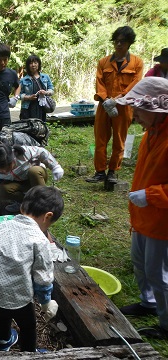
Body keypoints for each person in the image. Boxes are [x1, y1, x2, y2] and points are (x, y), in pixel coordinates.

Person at [0, 185, 63, 352]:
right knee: (28, 325)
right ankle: (28, 353)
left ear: (23, 207)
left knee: (4, 312)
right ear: (48, 216)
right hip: (15, 296)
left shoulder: (2, 225)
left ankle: (3, 340)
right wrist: (46, 303)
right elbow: (43, 277)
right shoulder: (39, 240)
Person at [115, 77, 168, 340]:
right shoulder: (150, 133)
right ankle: (149, 302)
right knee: (140, 264)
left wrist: (150, 195)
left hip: (162, 219)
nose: (134, 115)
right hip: (143, 215)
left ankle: (167, 324)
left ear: (157, 109)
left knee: (159, 273)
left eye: (138, 109)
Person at [86, 26, 143, 184]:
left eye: (122, 42)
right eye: (116, 41)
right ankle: (99, 172)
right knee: (100, 138)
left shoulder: (137, 63)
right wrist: (105, 100)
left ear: (129, 43)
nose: (118, 45)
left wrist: (118, 99)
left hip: (124, 107)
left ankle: (112, 171)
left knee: (119, 139)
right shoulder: (103, 62)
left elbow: (135, 84)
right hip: (105, 106)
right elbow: (99, 83)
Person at [0, 142, 63, 214]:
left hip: (35, 177)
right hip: (18, 183)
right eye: (1, 170)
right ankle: (26, 203)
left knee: (34, 171)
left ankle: (44, 201)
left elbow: (42, 151)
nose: (5, 171)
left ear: (13, 160)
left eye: (7, 167)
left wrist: (55, 166)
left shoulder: (23, 153)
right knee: (2, 190)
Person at [19, 54, 55, 122]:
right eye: (31, 63)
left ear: (39, 64)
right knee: (28, 128)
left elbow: (52, 90)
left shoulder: (45, 77)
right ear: (28, 65)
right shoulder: (23, 80)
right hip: (27, 108)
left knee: (41, 127)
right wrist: (29, 97)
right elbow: (18, 95)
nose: (33, 65)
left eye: (35, 63)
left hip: (41, 107)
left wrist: (46, 92)